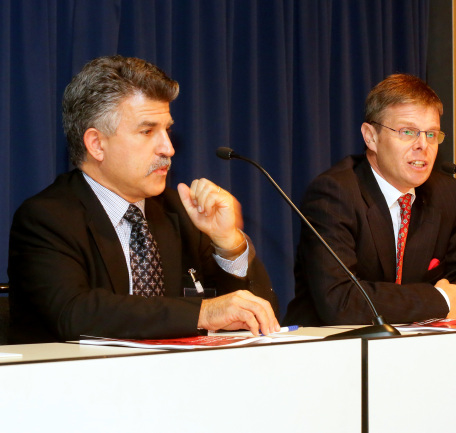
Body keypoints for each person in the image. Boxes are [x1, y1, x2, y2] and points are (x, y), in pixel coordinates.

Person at [8, 55, 280, 344]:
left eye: (168, 130)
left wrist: (227, 243)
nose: (168, 148)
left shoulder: (183, 213)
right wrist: (202, 312)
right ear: (97, 144)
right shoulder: (47, 218)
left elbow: (261, 319)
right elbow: (74, 313)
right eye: (147, 131)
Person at [283, 74, 456, 326]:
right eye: (408, 132)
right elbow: (341, 301)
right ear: (370, 137)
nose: (423, 146)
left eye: (432, 134)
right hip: (334, 349)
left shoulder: (447, 193)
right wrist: (442, 300)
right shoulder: (334, 194)